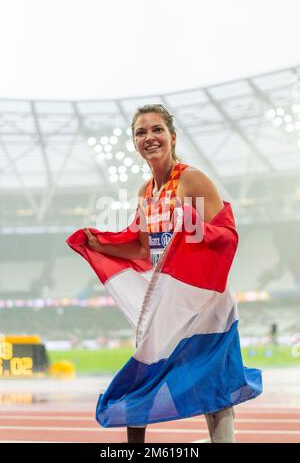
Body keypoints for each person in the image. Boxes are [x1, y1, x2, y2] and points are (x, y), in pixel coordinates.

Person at [68, 104, 262, 444]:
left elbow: (226, 237)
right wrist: (99, 246)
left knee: (214, 385)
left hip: (204, 303)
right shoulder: (146, 193)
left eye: (157, 130)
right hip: (167, 302)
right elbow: (143, 249)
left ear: (172, 136)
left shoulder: (191, 179)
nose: (149, 137)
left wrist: (188, 220)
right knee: (142, 376)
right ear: (134, 142)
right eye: (141, 132)